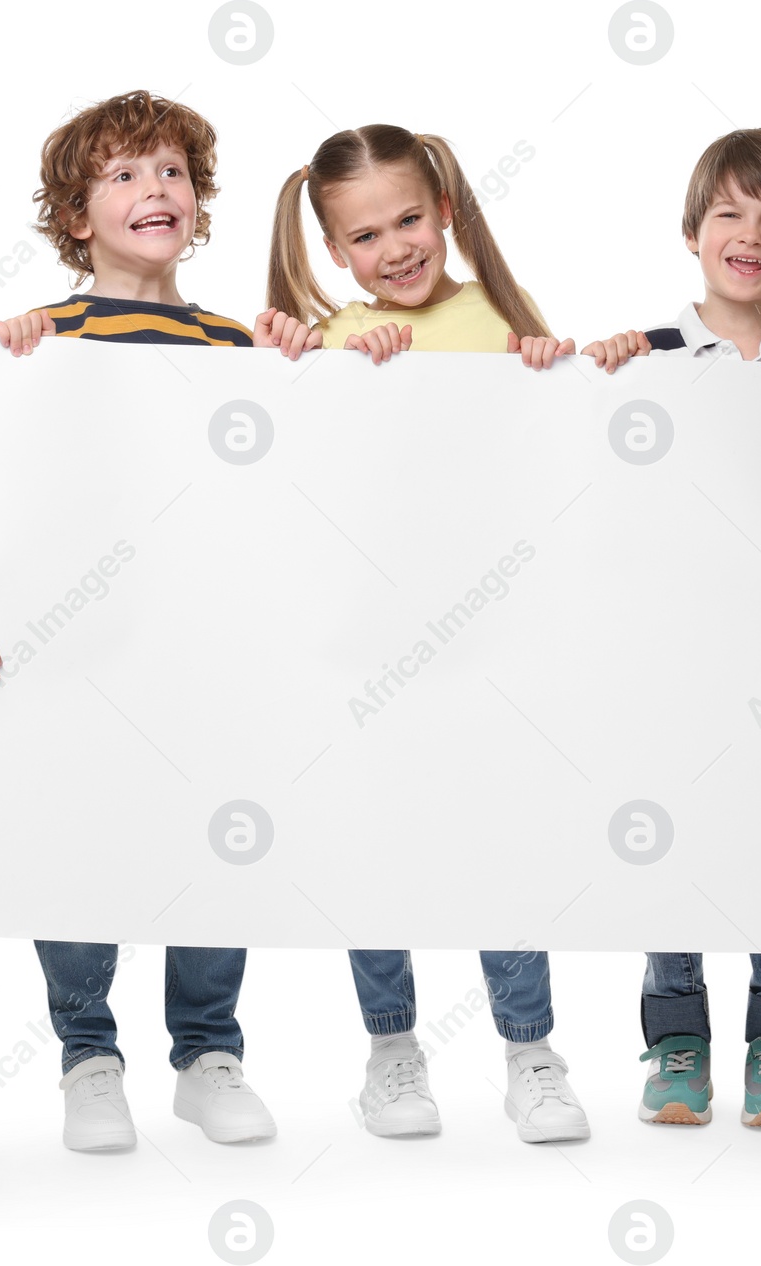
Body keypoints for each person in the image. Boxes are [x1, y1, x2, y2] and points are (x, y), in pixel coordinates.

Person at [262, 123, 585, 1143]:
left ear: (444, 212)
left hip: (492, 644)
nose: (394, 247)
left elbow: (553, 458)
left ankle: (530, 1052)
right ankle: (392, 1052)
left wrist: (545, 369)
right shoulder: (335, 338)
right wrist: (305, 360)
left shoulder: (496, 319)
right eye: (365, 236)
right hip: (366, 650)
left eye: (408, 219)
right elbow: (278, 462)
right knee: (376, 847)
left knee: (499, 852)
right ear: (334, 252)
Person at [0, 89, 275, 1149]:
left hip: (208, 632)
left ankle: (206, 1050)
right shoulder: (46, 335)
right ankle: (88, 1056)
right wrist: (18, 359)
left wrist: (290, 366)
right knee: (79, 822)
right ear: (74, 217)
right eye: (121, 175)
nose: (153, 189)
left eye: (170, 173)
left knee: (215, 829)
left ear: (197, 203)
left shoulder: (231, 339)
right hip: (83, 636)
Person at [584, 128, 761, 1130]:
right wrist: (603, 371)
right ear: (693, 229)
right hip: (667, 655)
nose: (749, 235)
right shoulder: (649, 357)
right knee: (668, 837)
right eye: (730, 214)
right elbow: (592, 485)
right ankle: (675, 1041)